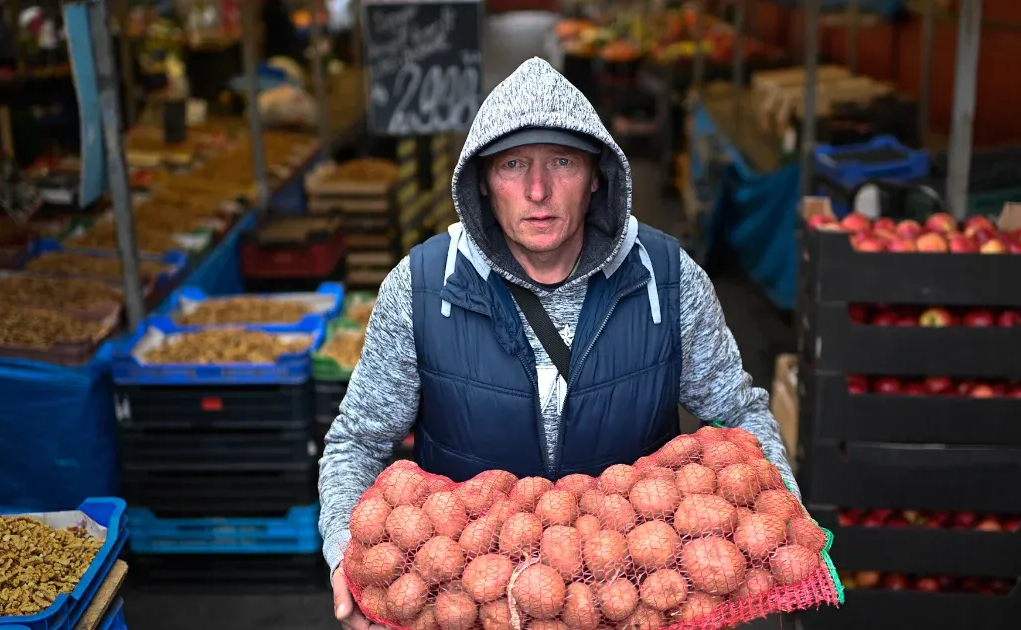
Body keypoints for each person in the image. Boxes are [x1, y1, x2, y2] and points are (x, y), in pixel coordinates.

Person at [319, 57, 798, 630]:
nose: (538, 190)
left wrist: (775, 528)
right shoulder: (423, 287)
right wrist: (347, 552)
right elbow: (356, 441)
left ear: (597, 175)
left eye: (562, 163)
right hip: (468, 605)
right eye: (513, 165)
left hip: (633, 602)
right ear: (483, 182)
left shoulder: (667, 279)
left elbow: (740, 414)